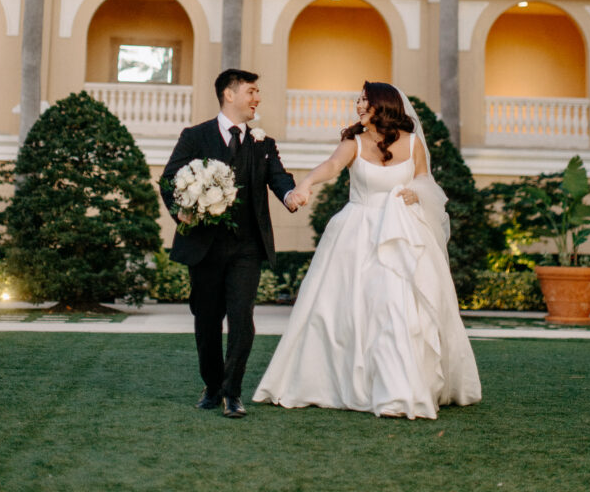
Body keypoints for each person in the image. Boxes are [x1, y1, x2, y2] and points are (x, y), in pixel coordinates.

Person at [254, 82, 482, 419]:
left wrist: (416, 193)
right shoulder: (353, 142)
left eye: (365, 99)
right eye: (359, 99)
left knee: (398, 310)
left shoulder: (414, 142)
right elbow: (331, 167)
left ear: (383, 105)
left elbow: (426, 181)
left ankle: (399, 391)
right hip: (357, 235)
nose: (358, 104)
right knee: (344, 312)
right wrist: (305, 184)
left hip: (403, 237)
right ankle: (334, 382)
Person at [160, 68, 297, 419]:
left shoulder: (263, 142)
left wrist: (290, 195)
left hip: (247, 247)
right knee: (206, 320)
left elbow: (278, 177)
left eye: (257, 92)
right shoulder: (195, 136)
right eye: (251, 91)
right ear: (230, 94)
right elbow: (169, 180)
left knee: (242, 317)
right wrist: (184, 213)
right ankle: (212, 384)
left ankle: (232, 392)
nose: (257, 98)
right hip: (205, 245)